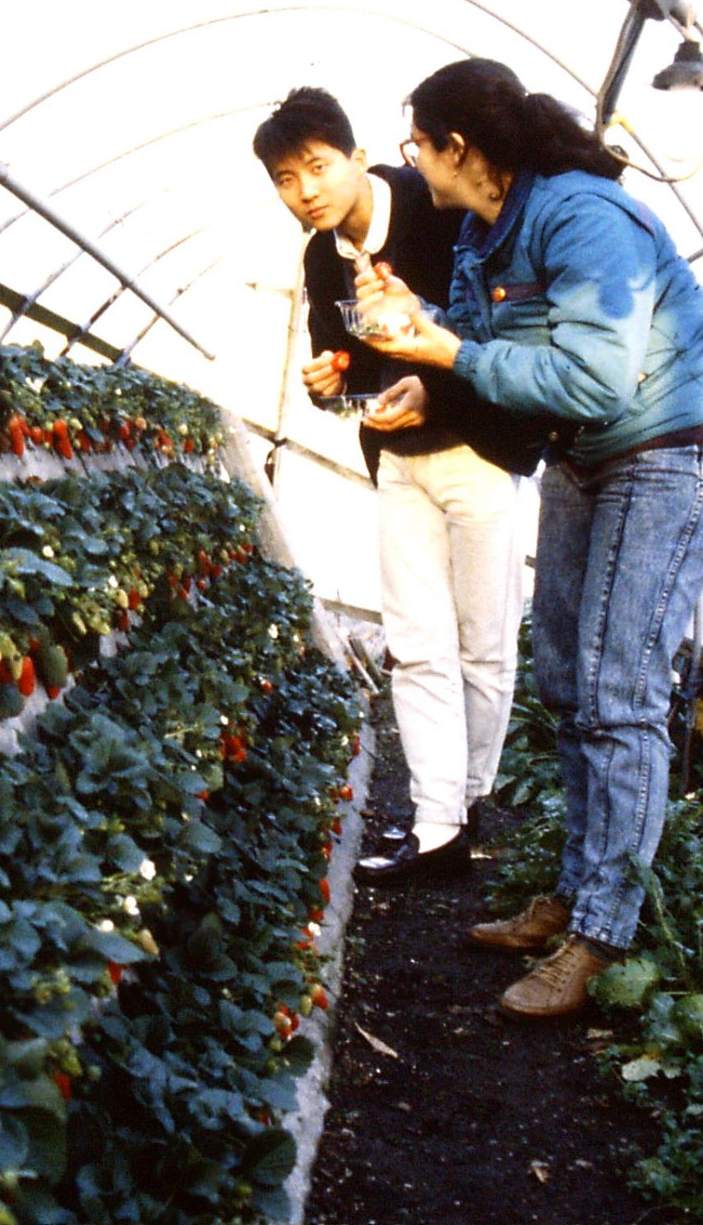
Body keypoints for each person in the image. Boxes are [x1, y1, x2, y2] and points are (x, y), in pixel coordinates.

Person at [353, 58, 703, 1018]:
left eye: (419, 146)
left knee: (619, 695)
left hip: (665, 453)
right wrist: (423, 367)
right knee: (567, 678)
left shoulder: (581, 217)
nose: (414, 165)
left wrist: (446, 349)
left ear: (461, 149)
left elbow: (594, 378)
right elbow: (488, 349)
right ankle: (573, 894)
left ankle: (601, 938)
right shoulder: (488, 232)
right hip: (587, 457)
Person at [251, 87, 546, 886]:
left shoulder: (437, 205)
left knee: (483, 641)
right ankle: (436, 821)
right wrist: (327, 381)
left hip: (480, 448)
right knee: (416, 642)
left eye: (316, 167)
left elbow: (499, 334)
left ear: (355, 157)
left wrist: (436, 387)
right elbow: (336, 357)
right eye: (284, 178)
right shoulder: (320, 258)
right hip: (401, 461)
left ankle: (470, 798)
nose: (305, 190)